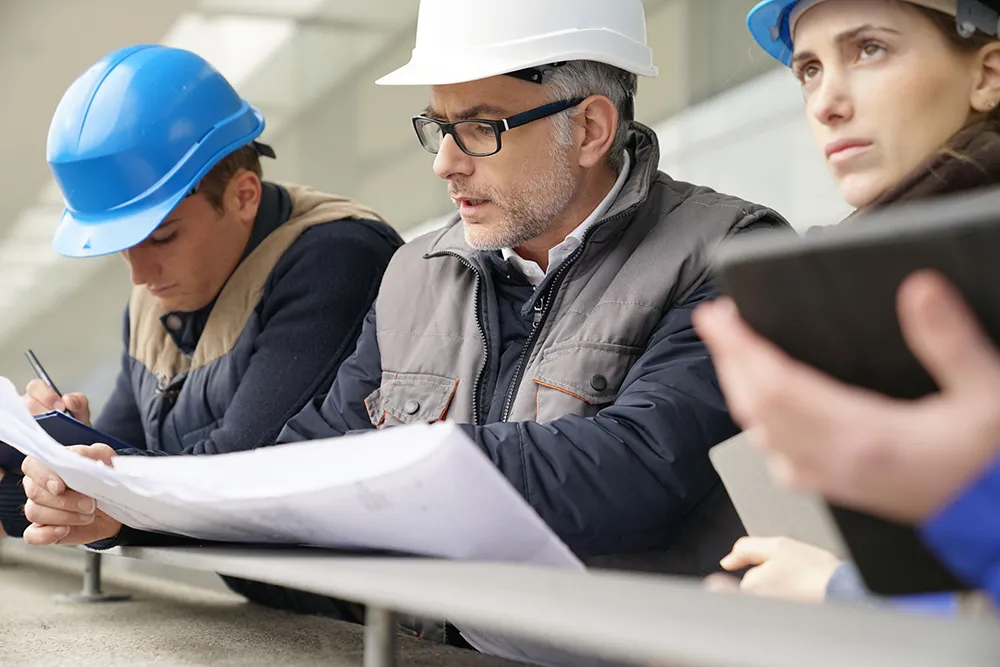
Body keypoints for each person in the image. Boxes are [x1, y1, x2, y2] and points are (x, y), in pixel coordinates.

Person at [19, 0, 789, 654]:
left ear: (589, 128)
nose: (444, 164)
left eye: (480, 127)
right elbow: (288, 469)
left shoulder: (733, 255)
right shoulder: (417, 274)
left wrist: (397, 463)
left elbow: (639, 466)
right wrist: (116, 506)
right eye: (438, 126)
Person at [2, 44, 402, 605]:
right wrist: (55, 452)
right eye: (122, 246)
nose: (140, 274)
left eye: (162, 237)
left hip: (369, 629)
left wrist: (100, 478)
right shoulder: (156, 296)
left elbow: (233, 476)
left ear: (242, 196)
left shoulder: (337, 259)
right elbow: (122, 469)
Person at [693, 0, 1000, 607]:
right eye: (809, 69)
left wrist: (840, 590)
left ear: (987, 75)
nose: (825, 103)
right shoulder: (881, 269)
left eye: (870, 50)